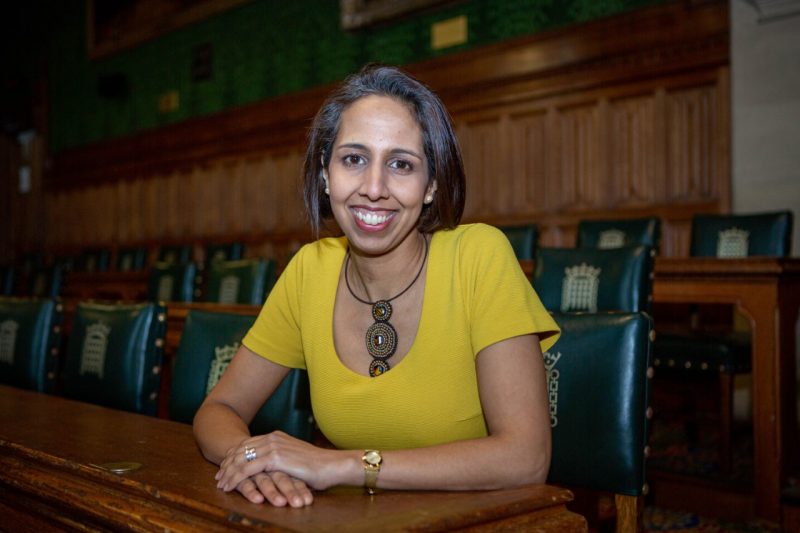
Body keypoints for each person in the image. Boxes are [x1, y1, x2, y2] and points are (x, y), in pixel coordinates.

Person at [193, 64, 560, 508]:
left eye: (401, 165)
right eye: (354, 159)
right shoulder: (310, 269)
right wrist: (254, 461)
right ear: (326, 174)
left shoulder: (479, 257)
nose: (374, 188)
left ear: (431, 186)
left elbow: (526, 458)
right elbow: (219, 410)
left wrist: (344, 465)